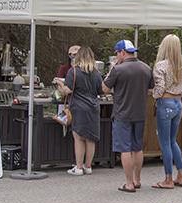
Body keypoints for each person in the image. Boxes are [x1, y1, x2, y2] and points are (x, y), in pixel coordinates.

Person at [102, 39, 154, 193]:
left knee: (125, 149)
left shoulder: (118, 70)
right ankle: (137, 180)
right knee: (137, 148)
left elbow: (104, 88)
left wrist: (111, 70)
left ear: (122, 52)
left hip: (122, 114)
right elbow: (150, 91)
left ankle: (129, 183)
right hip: (139, 113)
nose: (116, 57)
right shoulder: (146, 68)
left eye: (117, 54)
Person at [55, 46, 102, 176]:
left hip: (78, 107)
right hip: (93, 107)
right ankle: (88, 166)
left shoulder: (74, 71)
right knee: (90, 138)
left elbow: (68, 90)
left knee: (78, 137)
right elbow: (101, 91)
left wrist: (61, 85)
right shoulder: (96, 73)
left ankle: (79, 167)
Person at [150, 34, 182, 189]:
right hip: (178, 103)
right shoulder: (181, 66)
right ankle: (181, 176)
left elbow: (159, 89)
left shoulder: (161, 66)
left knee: (165, 143)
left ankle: (168, 179)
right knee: (172, 141)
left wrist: (154, 95)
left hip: (165, 104)